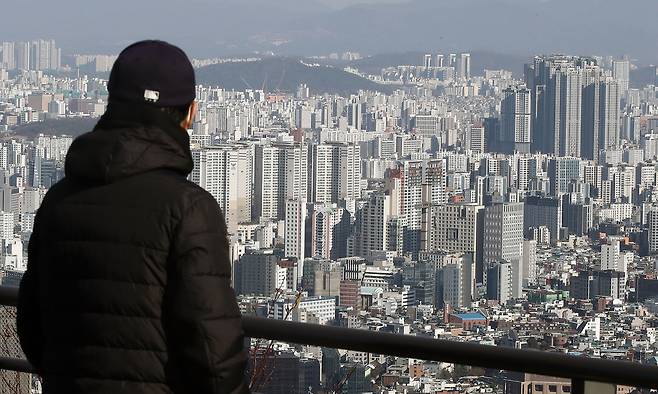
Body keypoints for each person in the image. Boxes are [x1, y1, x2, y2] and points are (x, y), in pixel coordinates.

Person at [16, 40, 249, 394]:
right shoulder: (189, 209)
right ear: (191, 113)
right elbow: (213, 350)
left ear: (111, 104)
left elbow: (32, 326)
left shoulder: (58, 200)